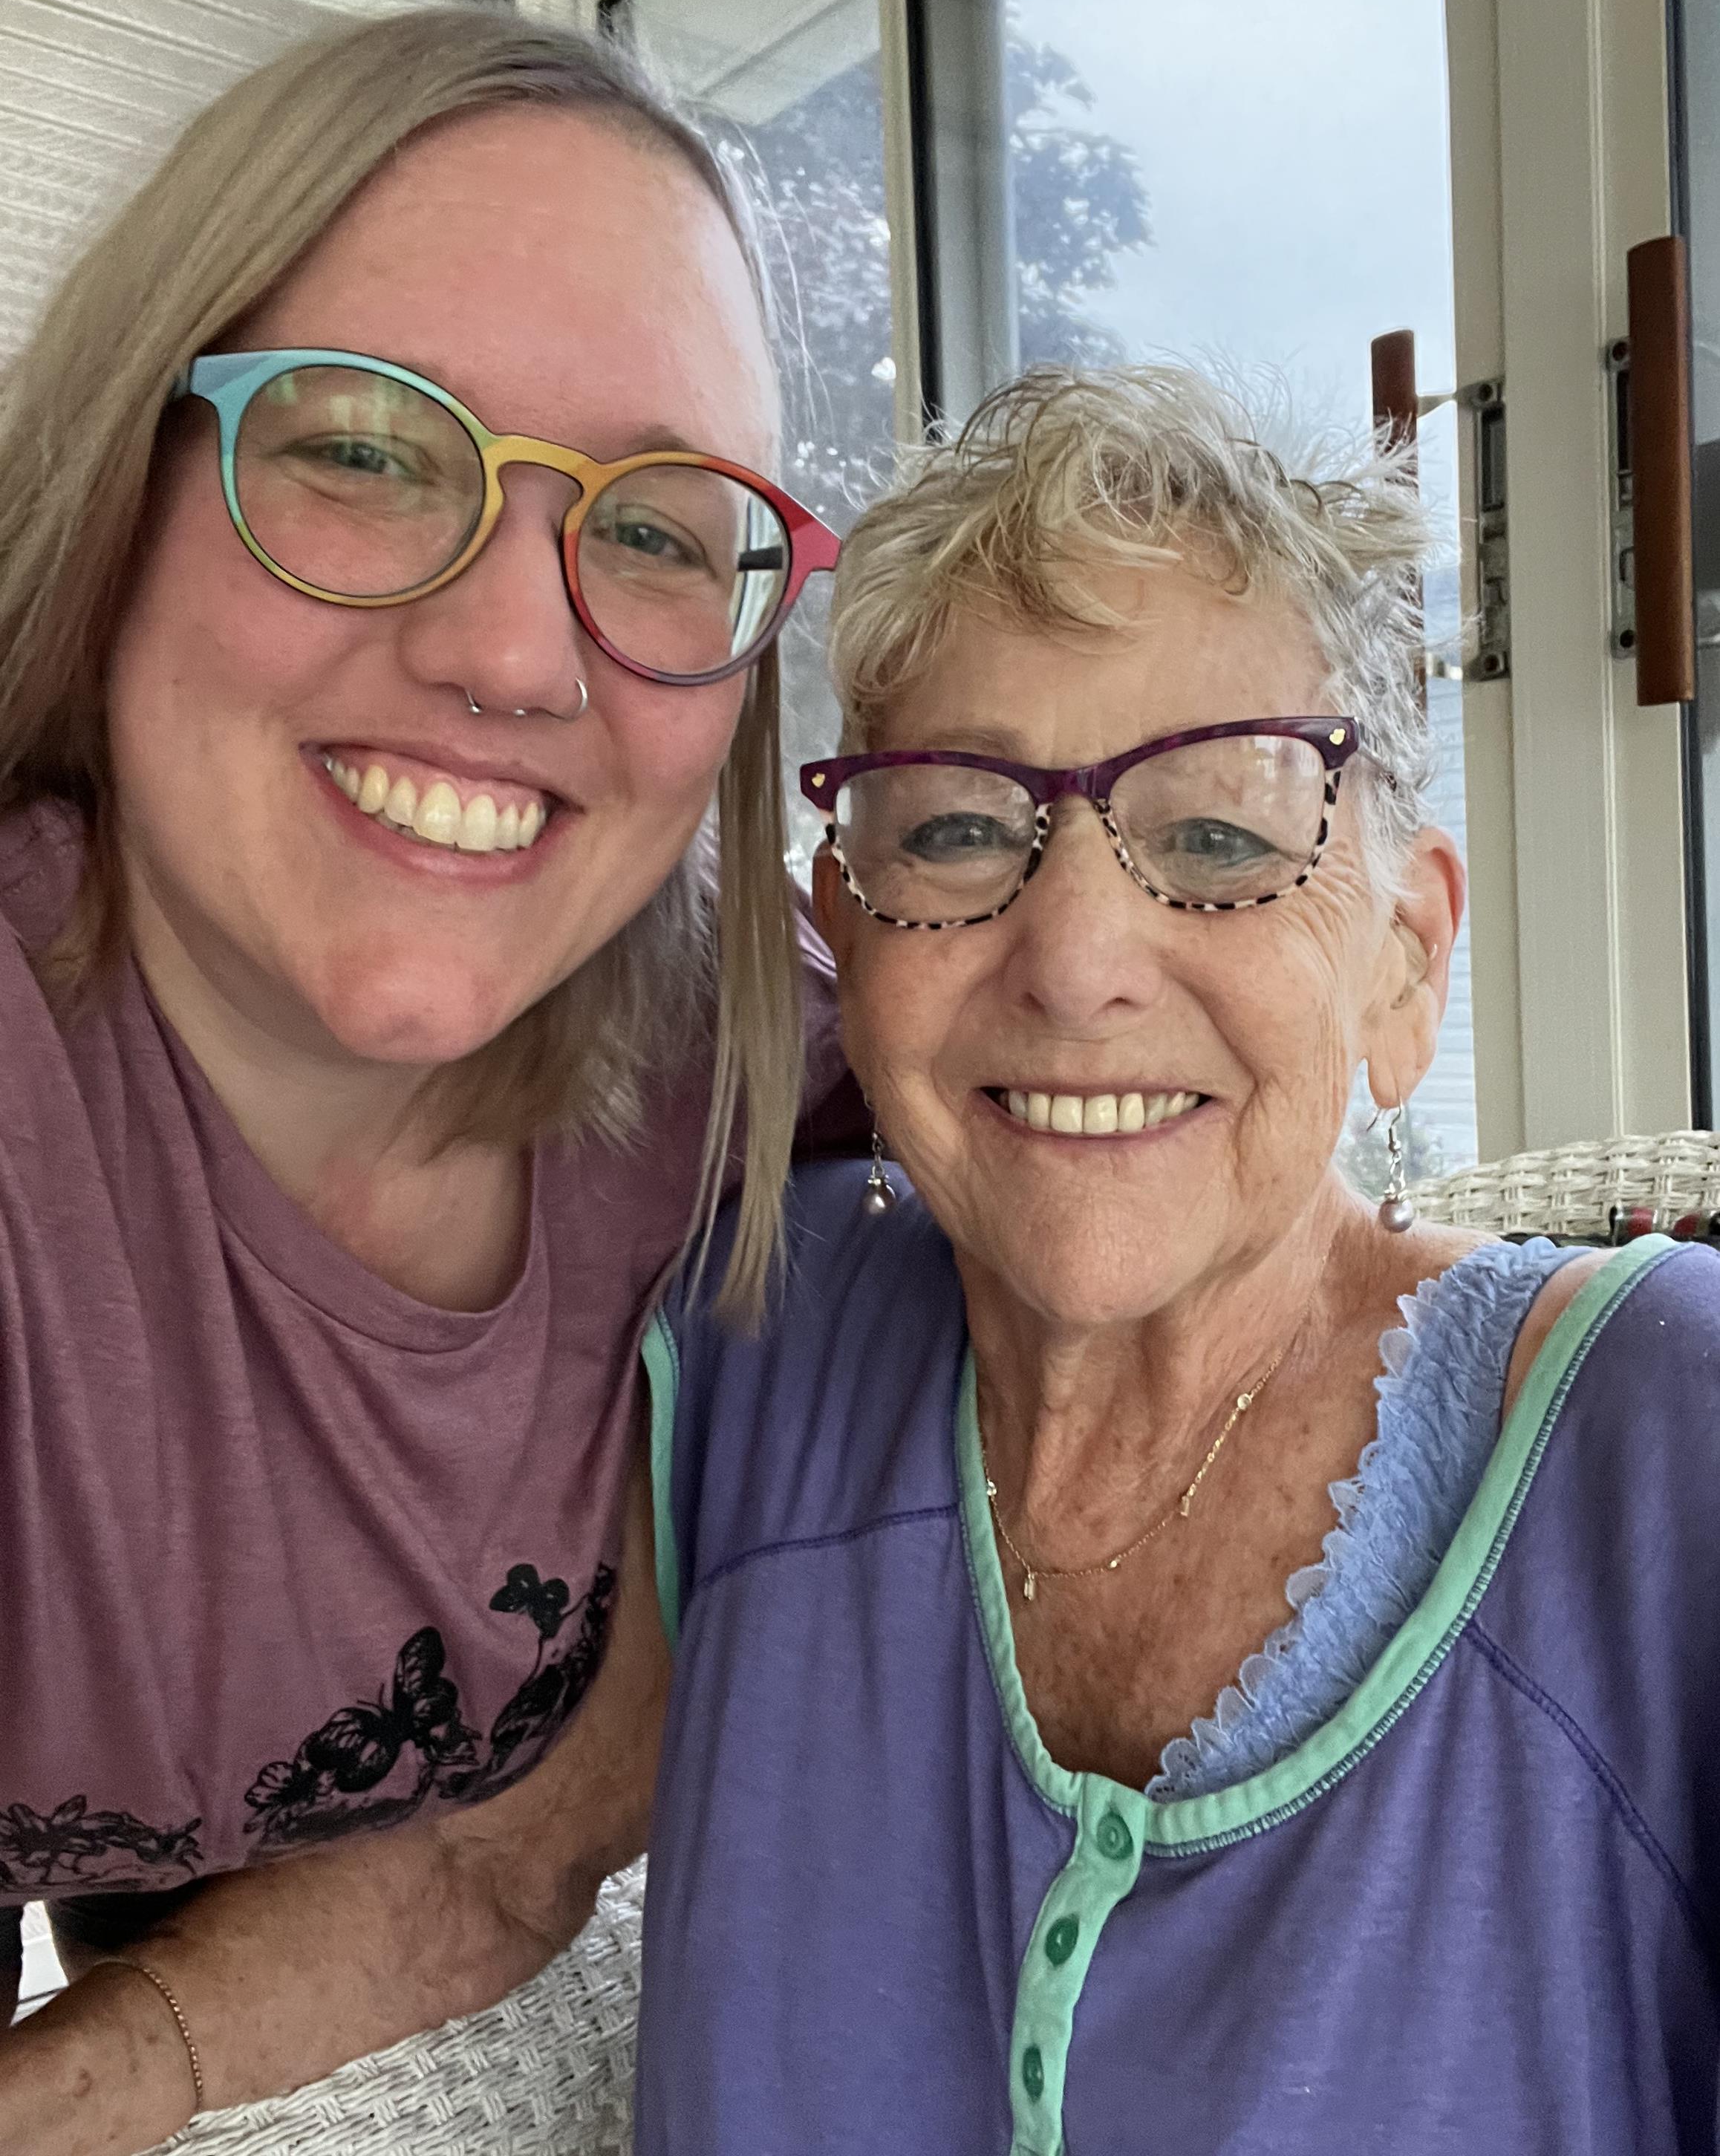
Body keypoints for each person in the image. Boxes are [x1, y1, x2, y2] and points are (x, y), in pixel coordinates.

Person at [636, 365, 1720, 2152]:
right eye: (963, 825)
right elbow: (477, 1873)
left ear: (1405, 958)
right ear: (848, 933)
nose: (1072, 957)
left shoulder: (1660, 1443)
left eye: (1218, 834)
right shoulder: (756, 1333)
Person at [0, 4, 853, 2149]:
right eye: (367, 449)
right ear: (126, 472)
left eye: (658, 526)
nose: (508, 651)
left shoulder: (773, 1112)